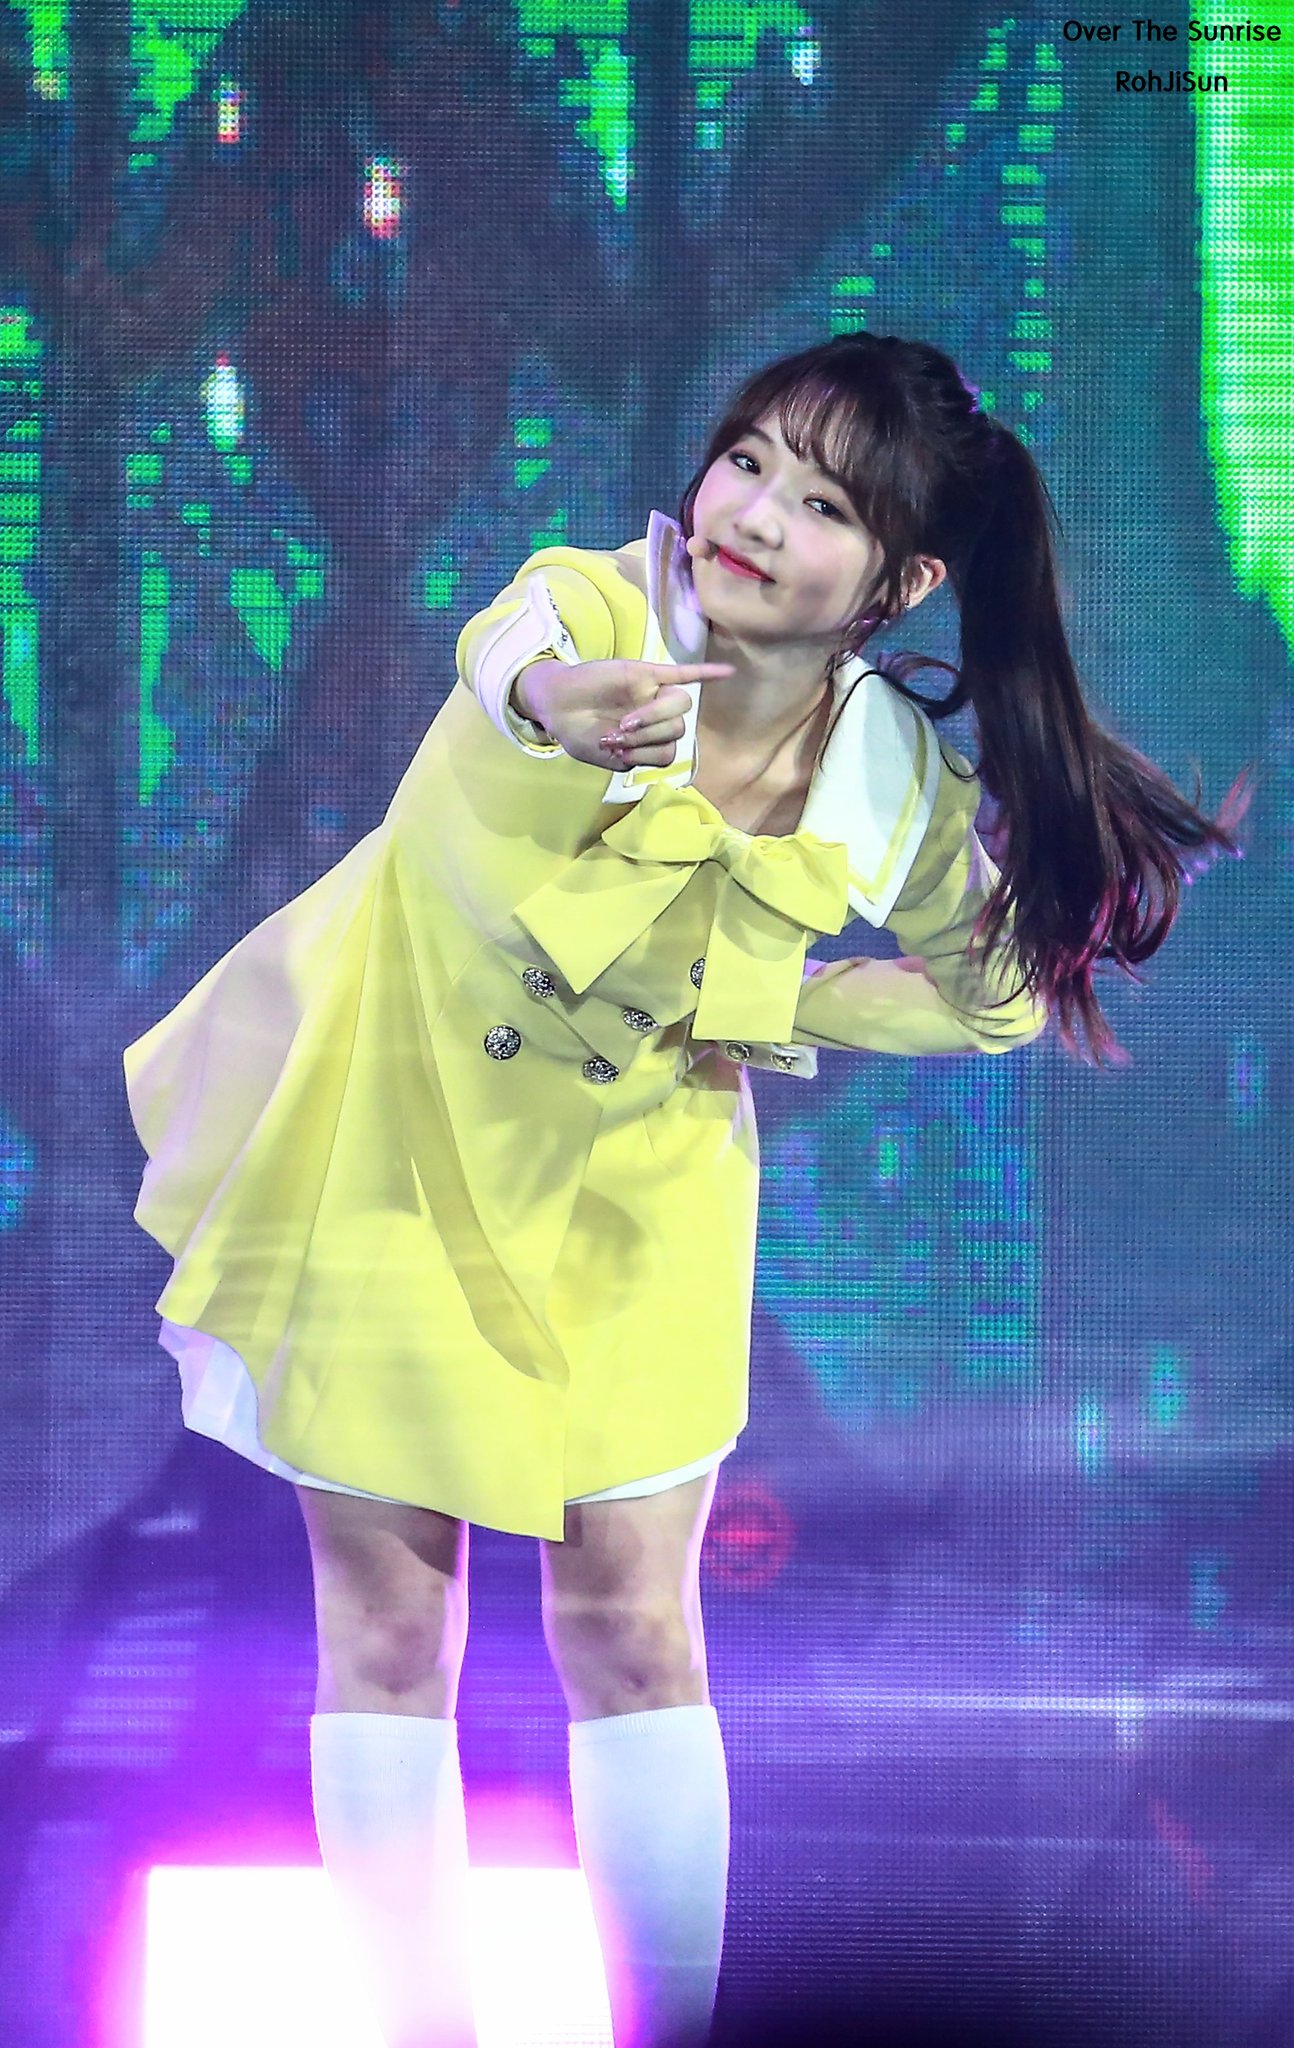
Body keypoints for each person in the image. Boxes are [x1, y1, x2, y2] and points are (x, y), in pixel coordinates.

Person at [122, 332, 1246, 2048]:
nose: (754, 514)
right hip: (391, 1150)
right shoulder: (591, 606)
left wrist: (759, 999)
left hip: (638, 1205)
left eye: (823, 504)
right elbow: (506, 655)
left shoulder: (888, 774)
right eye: (747, 459)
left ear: (900, 582)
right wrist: (560, 706)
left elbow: (992, 996)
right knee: (389, 1634)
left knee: (633, 1632)